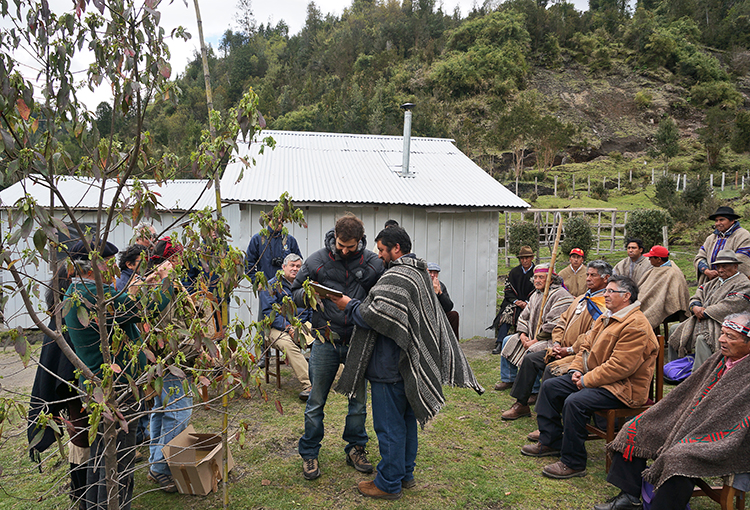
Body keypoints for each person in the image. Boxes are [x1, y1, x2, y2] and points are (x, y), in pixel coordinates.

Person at [332, 226, 483, 500]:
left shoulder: (398, 274)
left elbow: (374, 316)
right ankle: (406, 474)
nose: (379, 256)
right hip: (408, 364)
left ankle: (388, 483)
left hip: (389, 365)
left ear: (396, 248)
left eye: (381, 250)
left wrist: (348, 304)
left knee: (389, 427)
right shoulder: (419, 272)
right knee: (406, 421)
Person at [594, 311, 750, 510]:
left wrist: (697, 428)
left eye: (730, 336)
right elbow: (689, 391)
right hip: (690, 420)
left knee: (680, 458)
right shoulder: (720, 358)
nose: (721, 339)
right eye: (723, 333)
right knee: (636, 428)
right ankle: (630, 497)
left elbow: (739, 415)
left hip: (726, 436)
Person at [521, 275, 658, 480]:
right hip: (597, 379)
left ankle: (573, 462)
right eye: (606, 291)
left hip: (623, 387)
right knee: (550, 386)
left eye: (612, 291)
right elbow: (584, 346)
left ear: (627, 296)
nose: (606, 295)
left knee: (575, 402)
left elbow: (621, 367)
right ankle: (551, 441)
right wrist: (575, 370)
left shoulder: (635, 325)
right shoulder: (606, 316)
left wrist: (586, 380)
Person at [64, 239, 162, 509]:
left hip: (102, 387)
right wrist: (162, 285)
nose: (113, 271)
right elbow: (144, 309)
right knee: (118, 462)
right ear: (92, 266)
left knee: (103, 459)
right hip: (116, 388)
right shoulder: (92, 297)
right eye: (107, 264)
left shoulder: (78, 292)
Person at [292, 214, 384, 481]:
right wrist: (312, 296)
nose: (344, 251)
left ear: (360, 241)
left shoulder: (373, 262)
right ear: (334, 237)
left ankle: (356, 448)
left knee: (357, 402)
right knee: (316, 400)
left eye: (350, 247)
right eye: (341, 245)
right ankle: (309, 452)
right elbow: (296, 293)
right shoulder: (316, 260)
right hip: (325, 339)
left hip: (359, 340)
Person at [501, 260, 611, 421]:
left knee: (550, 367)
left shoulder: (605, 303)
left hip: (578, 353)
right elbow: (561, 323)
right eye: (587, 274)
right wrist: (558, 343)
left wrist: (569, 349)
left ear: (606, 278)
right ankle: (521, 403)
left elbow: (592, 335)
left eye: (593, 275)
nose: (588, 278)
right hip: (560, 347)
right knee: (531, 359)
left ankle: (546, 418)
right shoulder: (581, 298)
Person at [28, 265, 89, 510]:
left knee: (82, 445)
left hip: (77, 405)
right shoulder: (65, 322)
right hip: (78, 405)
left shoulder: (66, 318)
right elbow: (62, 377)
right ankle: (83, 495)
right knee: (82, 445)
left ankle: (83, 493)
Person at [144, 237, 195, 493]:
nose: (182, 261)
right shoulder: (162, 286)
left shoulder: (161, 282)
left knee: (161, 411)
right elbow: (168, 330)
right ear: (173, 259)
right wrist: (196, 347)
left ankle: (156, 463)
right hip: (171, 362)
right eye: (180, 256)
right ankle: (161, 468)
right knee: (178, 414)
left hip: (161, 362)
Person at [495, 264, 574, 391]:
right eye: (535, 277)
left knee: (533, 351)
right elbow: (524, 316)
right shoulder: (536, 295)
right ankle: (509, 378)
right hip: (531, 335)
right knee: (507, 340)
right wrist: (522, 335)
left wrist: (534, 341)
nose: (537, 280)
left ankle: (534, 388)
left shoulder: (561, 295)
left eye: (541, 277)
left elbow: (555, 324)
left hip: (550, 340)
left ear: (551, 279)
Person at [670, 249, 750, 369]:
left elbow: (731, 305)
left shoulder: (743, 283)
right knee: (675, 330)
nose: (720, 270)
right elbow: (697, 295)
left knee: (703, 338)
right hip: (702, 319)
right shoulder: (714, 282)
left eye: (725, 266)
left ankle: (699, 374)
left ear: (735, 267)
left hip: (726, 324)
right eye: (718, 266)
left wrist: (704, 312)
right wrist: (695, 307)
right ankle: (675, 368)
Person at [258, 253, 314, 401]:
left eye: (298, 266)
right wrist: (288, 327)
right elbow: (269, 313)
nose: (295, 269)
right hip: (274, 328)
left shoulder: (303, 285)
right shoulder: (270, 286)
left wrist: (310, 326)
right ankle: (309, 385)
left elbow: (308, 309)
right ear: (283, 267)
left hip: (300, 325)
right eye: (292, 266)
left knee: (322, 339)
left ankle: (338, 377)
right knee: (289, 345)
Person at [491, 246, 536, 354]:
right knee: (506, 314)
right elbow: (508, 290)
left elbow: (540, 290)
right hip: (514, 302)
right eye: (522, 258)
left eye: (527, 258)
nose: (524, 261)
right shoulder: (514, 272)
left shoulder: (537, 272)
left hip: (532, 303)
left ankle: (530, 342)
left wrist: (527, 303)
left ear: (532, 258)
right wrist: (516, 301)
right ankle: (500, 342)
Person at [637, 245, 690, 330]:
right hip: (651, 301)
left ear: (658, 259)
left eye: (651, 257)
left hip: (669, 308)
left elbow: (669, 294)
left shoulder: (672, 272)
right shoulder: (656, 269)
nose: (649, 259)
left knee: (647, 313)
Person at [694, 205, 750, 285]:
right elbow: (700, 257)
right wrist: (707, 271)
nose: (718, 223)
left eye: (722, 220)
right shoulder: (711, 238)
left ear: (732, 221)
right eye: (716, 221)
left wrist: (721, 273)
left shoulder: (743, 235)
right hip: (710, 282)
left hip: (734, 283)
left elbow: (742, 259)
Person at [245, 216, 302, 283]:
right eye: (275, 221)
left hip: (286, 286)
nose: (277, 224)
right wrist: (257, 282)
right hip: (266, 286)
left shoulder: (289, 240)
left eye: (280, 222)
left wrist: (294, 282)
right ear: (268, 221)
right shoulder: (258, 239)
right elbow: (248, 264)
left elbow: (299, 263)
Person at [427, 262, 460, 339]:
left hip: (440, 314)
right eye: (430, 272)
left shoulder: (441, 285)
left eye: (434, 273)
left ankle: (454, 344)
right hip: (427, 315)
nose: (432, 275)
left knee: (454, 315)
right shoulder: (422, 284)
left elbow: (449, 307)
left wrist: (440, 293)